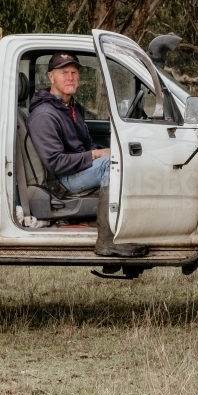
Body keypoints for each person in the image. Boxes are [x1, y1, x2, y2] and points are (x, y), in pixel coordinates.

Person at [26, 52, 148, 257]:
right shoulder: (45, 115)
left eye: (74, 72)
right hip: (64, 179)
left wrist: (98, 150)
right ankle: (108, 242)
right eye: (64, 72)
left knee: (118, 157)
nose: (70, 77)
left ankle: (132, 228)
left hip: (77, 168)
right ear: (50, 77)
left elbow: (86, 143)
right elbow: (56, 163)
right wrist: (97, 155)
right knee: (113, 164)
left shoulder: (71, 107)